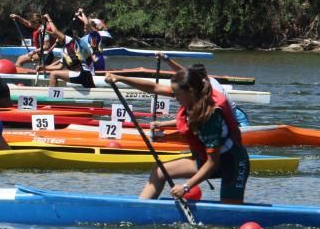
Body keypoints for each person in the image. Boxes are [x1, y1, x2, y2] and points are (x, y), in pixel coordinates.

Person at [106, 65, 250, 203]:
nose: (175, 97)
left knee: (229, 214)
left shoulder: (209, 117)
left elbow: (213, 163)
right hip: (208, 160)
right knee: (160, 171)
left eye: (178, 94)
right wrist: (119, 78)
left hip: (233, 162)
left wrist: (186, 187)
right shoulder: (190, 97)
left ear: (191, 91)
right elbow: (154, 87)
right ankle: (140, 209)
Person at [158, 54, 250, 127]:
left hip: (237, 118)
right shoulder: (202, 83)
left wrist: (161, 124)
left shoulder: (213, 91)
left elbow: (193, 118)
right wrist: (166, 59)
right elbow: (181, 71)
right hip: (223, 118)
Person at [45, 10, 104, 88]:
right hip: (86, 74)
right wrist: (44, 67)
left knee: (53, 74)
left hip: (82, 72)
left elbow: (55, 32)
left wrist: (49, 19)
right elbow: (59, 66)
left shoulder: (71, 41)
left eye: (58, 37)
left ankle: (52, 99)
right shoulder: (65, 50)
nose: (57, 39)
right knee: (93, 94)